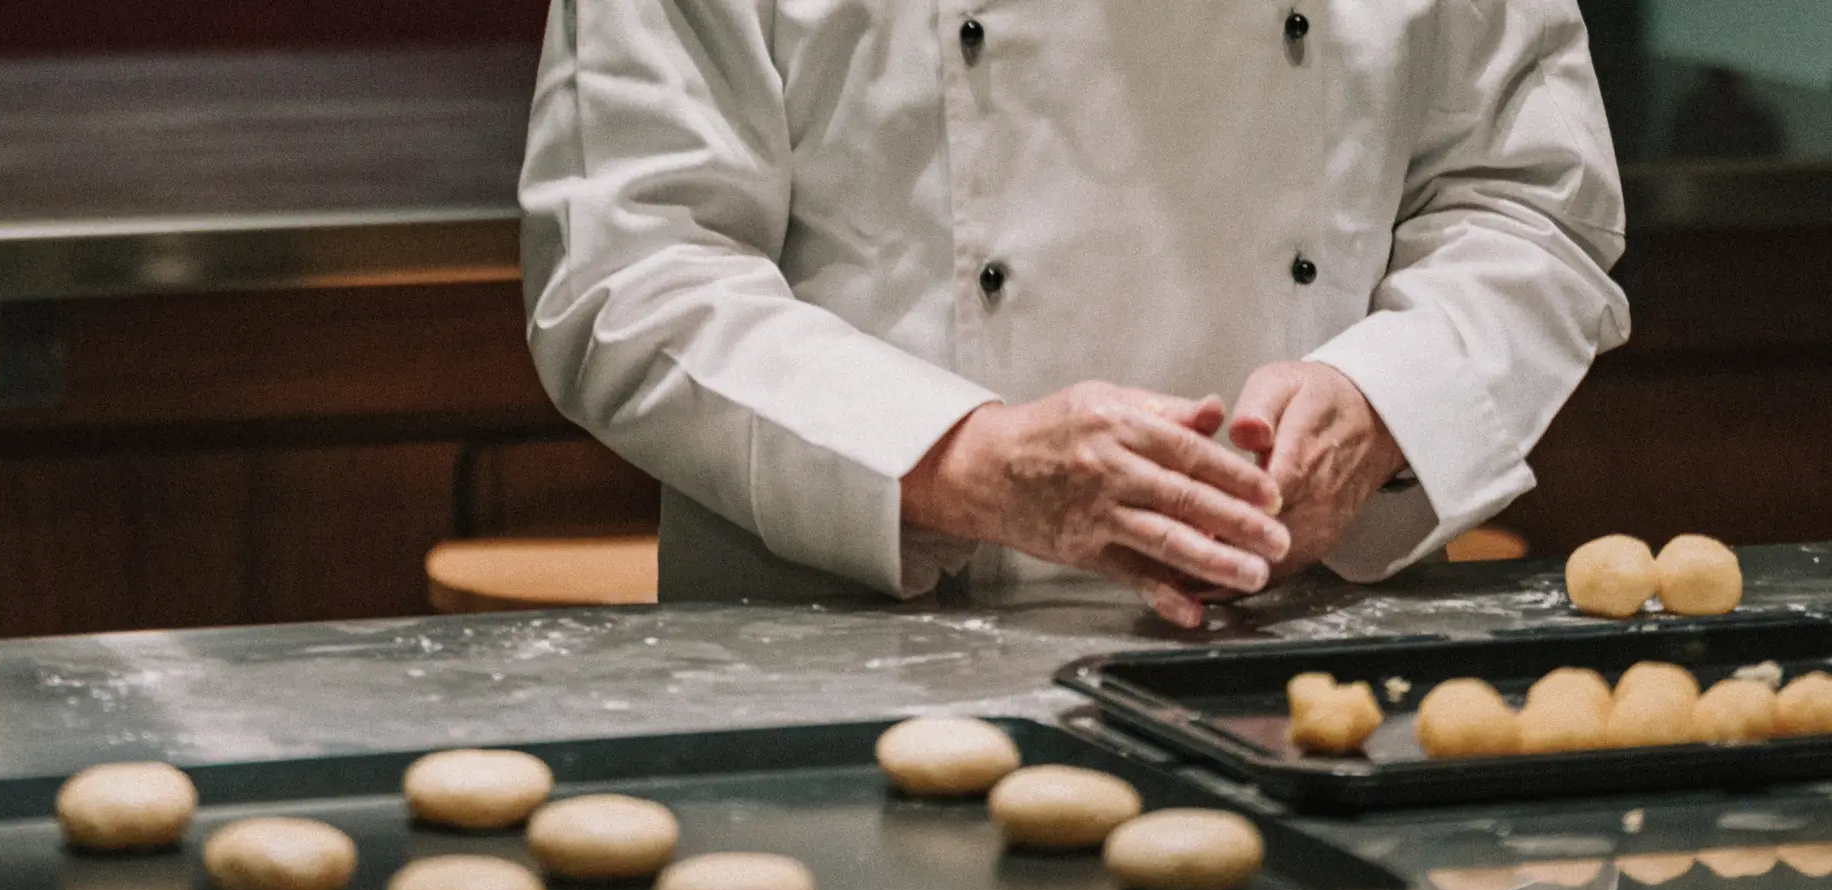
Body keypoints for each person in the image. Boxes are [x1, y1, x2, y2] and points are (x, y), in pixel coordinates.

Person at [519, 2, 1629, 626]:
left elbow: (1525, 198)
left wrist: (1378, 408)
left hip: (1301, 668)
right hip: (853, 669)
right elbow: (630, 264)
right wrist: (962, 462)